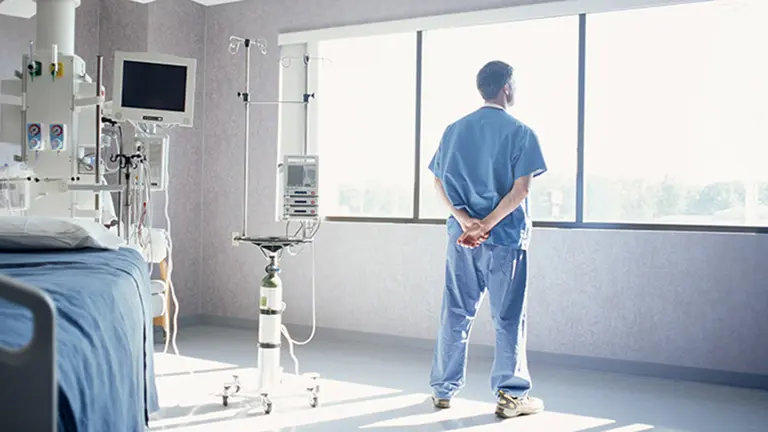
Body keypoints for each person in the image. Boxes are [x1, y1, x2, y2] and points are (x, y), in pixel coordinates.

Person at [427, 60, 547, 419]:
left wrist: (467, 222)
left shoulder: (453, 131)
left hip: (462, 239)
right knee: (508, 316)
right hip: (506, 240)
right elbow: (521, 190)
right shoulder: (521, 132)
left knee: (456, 312)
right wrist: (489, 225)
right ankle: (511, 396)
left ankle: (442, 391)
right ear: (507, 88)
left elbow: (439, 183)